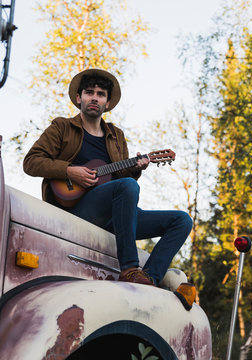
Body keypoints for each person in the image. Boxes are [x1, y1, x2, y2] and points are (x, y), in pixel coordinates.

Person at [23, 68, 193, 287]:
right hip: (75, 210)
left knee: (182, 220)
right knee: (127, 186)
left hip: (116, 216)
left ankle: (150, 278)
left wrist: (136, 168)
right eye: (89, 92)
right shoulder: (62, 127)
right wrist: (69, 171)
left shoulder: (116, 136)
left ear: (108, 103)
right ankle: (130, 268)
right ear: (79, 97)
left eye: (101, 94)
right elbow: (31, 162)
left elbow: (121, 179)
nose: (95, 97)